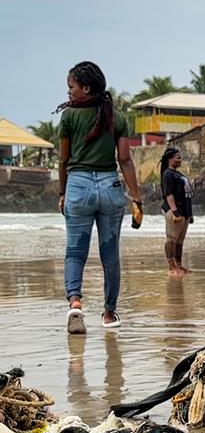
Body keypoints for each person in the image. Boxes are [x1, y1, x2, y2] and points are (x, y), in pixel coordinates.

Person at [57, 60, 143, 334]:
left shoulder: (69, 117)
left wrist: (62, 192)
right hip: (110, 188)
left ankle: (75, 302)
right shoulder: (117, 118)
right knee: (110, 255)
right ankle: (109, 313)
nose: (68, 92)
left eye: (71, 87)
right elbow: (125, 160)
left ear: (86, 87)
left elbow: (63, 160)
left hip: (79, 187)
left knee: (75, 251)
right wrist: (137, 199)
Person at [160, 148, 193, 277]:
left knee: (180, 240)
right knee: (171, 239)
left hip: (184, 211)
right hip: (174, 210)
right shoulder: (168, 174)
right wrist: (174, 211)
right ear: (170, 159)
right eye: (177, 157)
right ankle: (171, 266)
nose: (180, 160)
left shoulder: (179, 174)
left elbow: (187, 195)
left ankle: (179, 264)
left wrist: (189, 214)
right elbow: (169, 194)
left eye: (180, 157)